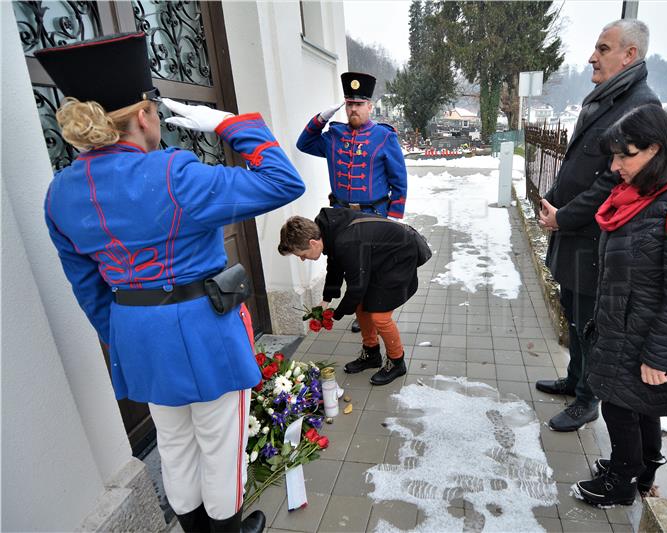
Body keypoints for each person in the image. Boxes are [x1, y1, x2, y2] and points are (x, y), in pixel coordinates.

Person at [35, 32, 305, 533]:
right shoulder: (174, 174)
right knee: (220, 449)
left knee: (175, 447)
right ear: (144, 116)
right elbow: (284, 181)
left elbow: (87, 287)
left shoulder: (60, 194)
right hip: (203, 334)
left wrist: (123, 335)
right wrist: (230, 124)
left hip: (137, 338)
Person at [571, 104, 667, 506]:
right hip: (628, 324)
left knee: (621, 408)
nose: (616, 165)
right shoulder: (644, 191)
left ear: (656, 150)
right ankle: (641, 467)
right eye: (615, 155)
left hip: (653, 335)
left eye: (626, 154)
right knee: (637, 407)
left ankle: (622, 482)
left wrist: (658, 356)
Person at [536, 19, 661, 432]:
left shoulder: (639, 106)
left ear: (630, 55)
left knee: (589, 323)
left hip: (599, 239)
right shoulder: (607, 98)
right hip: (578, 234)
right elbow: (578, 163)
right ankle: (575, 380)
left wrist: (563, 215)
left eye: (603, 49)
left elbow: (611, 182)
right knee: (573, 313)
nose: (592, 56)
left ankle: (587, 400)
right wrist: (554, 198)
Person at [296, 71, 408, 334]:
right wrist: (321, 119)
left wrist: (393, 217)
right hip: (340, 213)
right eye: (350, 104)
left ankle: (368, 309)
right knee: (347, 264)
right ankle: (357, 304)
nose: (354, 109)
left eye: (359, 104)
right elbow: (304, 143)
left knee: (373, 265)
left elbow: (399, 180)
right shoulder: (333, 137)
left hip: (373, 213)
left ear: (369, 106)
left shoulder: (384, 137)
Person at [278, 208, 419, 386]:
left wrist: (335, 315)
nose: (303, 259)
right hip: (377, 255)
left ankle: (397, 362)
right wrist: (326, 300)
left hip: (399, 257)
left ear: (313, 243)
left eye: (302, 255)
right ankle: (371, 354)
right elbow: (335, 265)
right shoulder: (326, 230)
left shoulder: (347, 241)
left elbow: (356, 287)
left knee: (380, 317)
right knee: (361, 305)